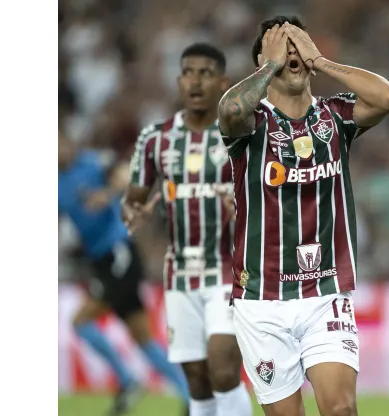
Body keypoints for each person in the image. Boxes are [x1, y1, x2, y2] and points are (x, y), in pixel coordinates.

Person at [218, 16, 389, 416]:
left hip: (325, 292)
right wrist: (270, 64)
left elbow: (386, 98)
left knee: (340, 410)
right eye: (284, 51)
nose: (292, 56)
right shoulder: (252, 124)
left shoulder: (335, 116)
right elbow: (229, 109)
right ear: (263, 65)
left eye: (298, 47)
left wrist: (322, 61)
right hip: (261, 299)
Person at [122, 43, 253, 416]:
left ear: (223, 82)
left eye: (206, 73)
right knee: (196, 378)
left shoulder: (239, 135)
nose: (195, 81)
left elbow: (265, 190)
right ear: (179, 80)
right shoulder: (155, 138)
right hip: (179, 273)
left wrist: (242, 207)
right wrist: (135, 212)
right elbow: (132, 199)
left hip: (229, 271)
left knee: (224, 370)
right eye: (188, 72)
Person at [58, 133, 190, 416]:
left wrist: (105, 195)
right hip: (100, 261)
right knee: (142, 337)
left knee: (81, 320)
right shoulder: (56, 183)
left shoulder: (91, 163)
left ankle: (128, 380)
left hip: (119, 254)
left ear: (67, 142)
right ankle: (189, 395)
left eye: (59, 141)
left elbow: (123, 173)